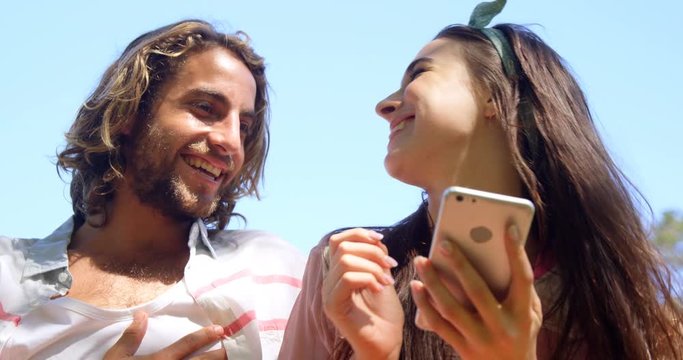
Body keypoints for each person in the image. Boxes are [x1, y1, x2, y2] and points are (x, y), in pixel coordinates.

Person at [279, 1, 683, 359]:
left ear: (496, 96)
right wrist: (375, 355)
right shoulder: (347, 272)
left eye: (418, 74)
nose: (383, 105)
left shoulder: (628, 314)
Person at [0, 20, 304, 359]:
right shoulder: (6, 273)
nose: (231, 142)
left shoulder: (273, 269)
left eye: (243, 127)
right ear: (129, 113)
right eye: (205, 108)